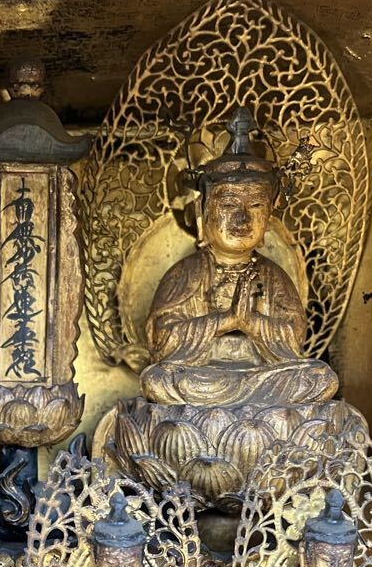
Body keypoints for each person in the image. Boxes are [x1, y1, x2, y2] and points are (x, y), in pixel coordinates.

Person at [140, 106, 337, 408]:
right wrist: (225, 321)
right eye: (230, 205)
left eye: (256, 206)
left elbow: (294, 336)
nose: (243, 219)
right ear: (202, 213)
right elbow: (161, 339)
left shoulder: (273, 276)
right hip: (199, 381)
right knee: (158, 381)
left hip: (266, 381)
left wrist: (252, 323)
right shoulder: (187, 273)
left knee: (320, 377)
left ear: (269, 219)